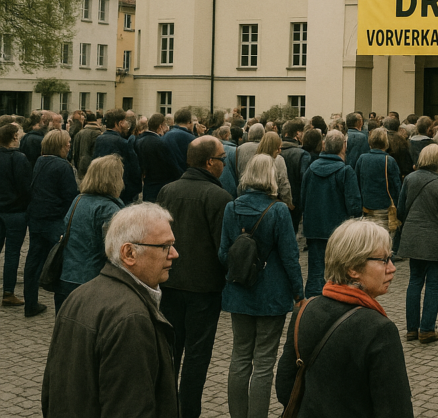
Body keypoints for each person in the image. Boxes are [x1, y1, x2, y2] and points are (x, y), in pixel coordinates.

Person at [41, 203, 179, 418]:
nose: (174, 254)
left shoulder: (79, 295)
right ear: (129, 253)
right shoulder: (132, 318)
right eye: (165, 246)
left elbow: (52, 390)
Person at [275, 219, 414, 418]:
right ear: (353, 269)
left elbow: (285, 386)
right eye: (383, 260)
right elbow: (395, 410)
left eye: (391, 258)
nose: (392, 268)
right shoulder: (379, 329)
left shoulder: (305, 311)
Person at [219, 154, 304, 418]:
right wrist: (299, 293)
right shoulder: (278, 210)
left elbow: (224, 254)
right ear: (271, 177)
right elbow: (290, 257)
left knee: (240, 356)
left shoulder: (231, 208)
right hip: (272, 294)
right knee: (265, 361)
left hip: (239, 291)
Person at [156, 136, 233, 418]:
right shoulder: (219, 197)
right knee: (197, 358)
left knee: (170, 353)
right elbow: (223, 248)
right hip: (204, 289)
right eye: (223, 158)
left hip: (170, 283)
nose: (225, 163)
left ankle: (166, 409)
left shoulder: (167, 191)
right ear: (210, 162)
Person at [58, 155, 127, 312]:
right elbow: (114, 252)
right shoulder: (109, 209)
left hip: (68, 276)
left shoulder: (78, 200)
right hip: (92, 280)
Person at [397, 144, 438, 343]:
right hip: (436, 239)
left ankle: (412, 329)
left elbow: (401, 209)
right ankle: (427, 329)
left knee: (414, 282)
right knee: (433, 285)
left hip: (413, 237)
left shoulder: (410, 179)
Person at [22, 130, 77, 316]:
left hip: (37, 218)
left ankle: (30, 303)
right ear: (59, 145)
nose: (69, 146)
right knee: (60, 262)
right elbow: (70, 196)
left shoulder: (40, 161)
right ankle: (62, 309)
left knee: (34, 261)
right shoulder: (63, 166)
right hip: (54, 220)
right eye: (67, 143)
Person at [301, 130, 361, 297]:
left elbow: (302, 198)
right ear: (344, 146)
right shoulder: (345, 171)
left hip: (314, 229)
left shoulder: (311, 169)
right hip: (338, 230)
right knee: (338, 272)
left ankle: (312, 304)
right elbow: (354, 204)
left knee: (315, 272)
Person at [0, 123, 32, 308]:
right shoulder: (18, 158)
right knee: (12, 253)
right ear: (13, 137)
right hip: (15, 212)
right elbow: (25, 187)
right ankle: (8, 292)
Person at [354, 127, 402, 237]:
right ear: (386, 142)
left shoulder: (362, 158)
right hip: (384, 207)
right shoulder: (389, 160)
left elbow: (356, 182)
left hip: (366, 206)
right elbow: (396, 185)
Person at [92, 109, 143, 204]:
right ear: (119, 123)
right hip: (120, 193)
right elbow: (133, 169)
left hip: (100, 188)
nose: (127, 125)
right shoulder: (122, 143)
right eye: (125, 122)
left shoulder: (100, 139)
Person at [137, 113, 184, 202]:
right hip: (161, 184)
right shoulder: (160, 143)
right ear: (160, 126)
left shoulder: (139, 141)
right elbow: (170, 163)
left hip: (147, 184)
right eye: (164, 125)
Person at [279, 119, 311, 232]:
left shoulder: (275, 151)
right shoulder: (302, 154)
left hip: (275, 199)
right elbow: (305, 180)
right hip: (294, 201)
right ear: (298, 133)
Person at [255, 131, 294, 210]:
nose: (279, 151)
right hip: (272, 200)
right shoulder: (278, 160)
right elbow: (283, 182)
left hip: (256, 200)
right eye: (278, 148)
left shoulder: (255, 158)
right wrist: (288, 202)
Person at [71, 111, 102, 176]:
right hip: (94, 169)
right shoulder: (98, 134)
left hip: (81, 166)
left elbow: (75, 153)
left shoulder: (79, 133)